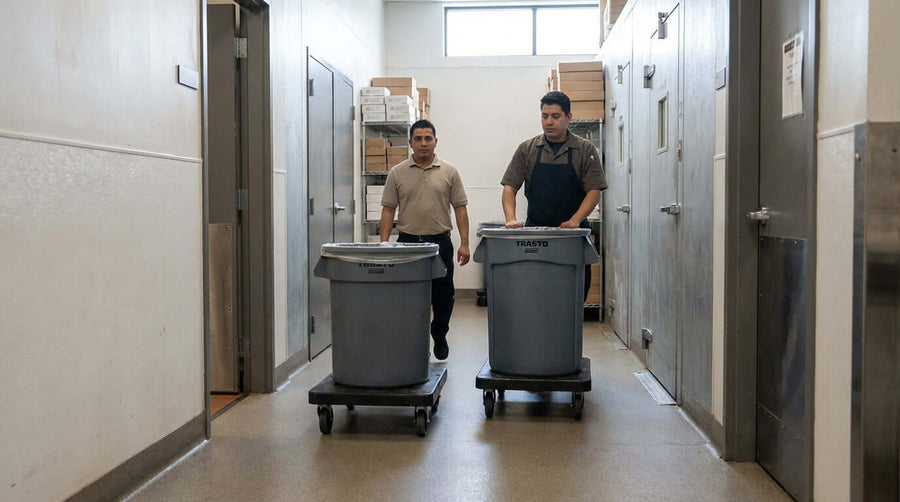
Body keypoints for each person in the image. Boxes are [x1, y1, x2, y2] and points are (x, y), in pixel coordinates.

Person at [500, 91, 607, 297]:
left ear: (569, 117)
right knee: (535, 294)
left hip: (572, 237)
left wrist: (575, 220)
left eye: (555, 116)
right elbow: (509, 187)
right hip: (535, 236)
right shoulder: (527, 149)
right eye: (544, 116)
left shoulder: (586, 150)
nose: (549, 122)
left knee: (573, 295)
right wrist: (511, 218)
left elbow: (594, 191)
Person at [380, 119, 470, 360]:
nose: (423, 143)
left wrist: (464, 243)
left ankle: (439, 334)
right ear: (410, 143)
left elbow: (460, 208)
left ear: (435, 141)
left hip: (440, 244)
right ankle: (411, 340)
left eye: (428, 138)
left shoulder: (449, 171)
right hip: (408, 244)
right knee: (407, 297)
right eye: (418, 139)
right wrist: (384, 244)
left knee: (443, 296)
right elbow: (388, 209)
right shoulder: (397, 172)